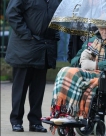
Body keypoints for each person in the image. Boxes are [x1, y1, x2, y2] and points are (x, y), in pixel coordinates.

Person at [5, 0, 60, 132]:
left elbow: (57, 17)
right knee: (20, 88)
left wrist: (55, 33)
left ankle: (35, 122)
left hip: (44, 48)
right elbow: (12, 13)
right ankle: (16, 120)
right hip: (24, 48)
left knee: (38, 89)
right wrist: (26, 35)